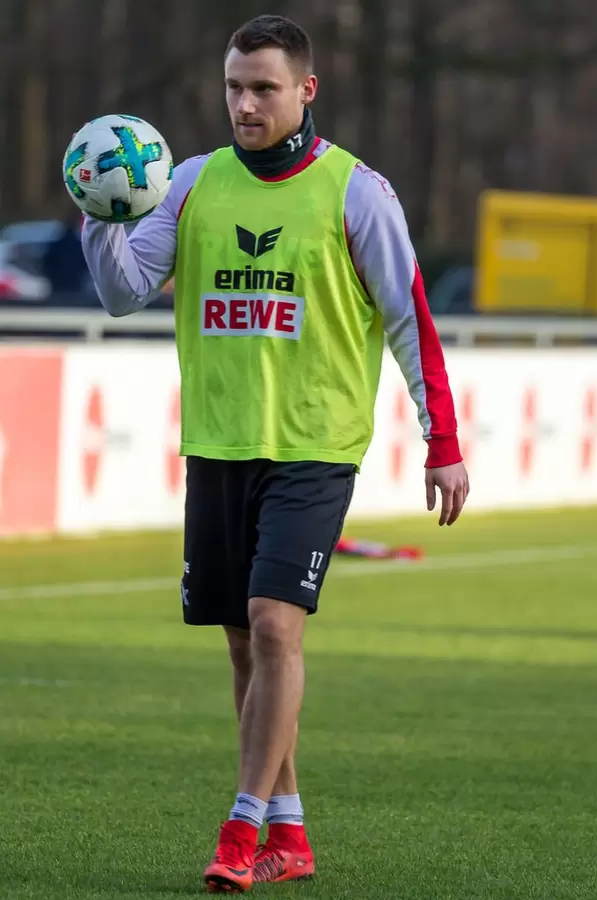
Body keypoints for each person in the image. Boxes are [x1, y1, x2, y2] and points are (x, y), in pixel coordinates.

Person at [81, 15, 470, 894]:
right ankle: (289, 831)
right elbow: (121, 291)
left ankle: (242, 825)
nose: (245, 103)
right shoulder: (189, 182)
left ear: (305, 91)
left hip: (314, 446)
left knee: (273, 625)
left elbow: (410, 316)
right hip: (219, 443)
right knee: (242, 648)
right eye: (233, 87)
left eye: (263, 87)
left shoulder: (355, 191)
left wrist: (440, 440)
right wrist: (101, 213)